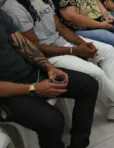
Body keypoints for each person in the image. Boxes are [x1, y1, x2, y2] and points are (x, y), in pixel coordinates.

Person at [0, 9, 98, 148]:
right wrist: (33, 89)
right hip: (7, 92)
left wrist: (48, 67)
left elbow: (23, 44)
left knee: (88, 85)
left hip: (29, 72)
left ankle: (79, 144)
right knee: (52, 121)